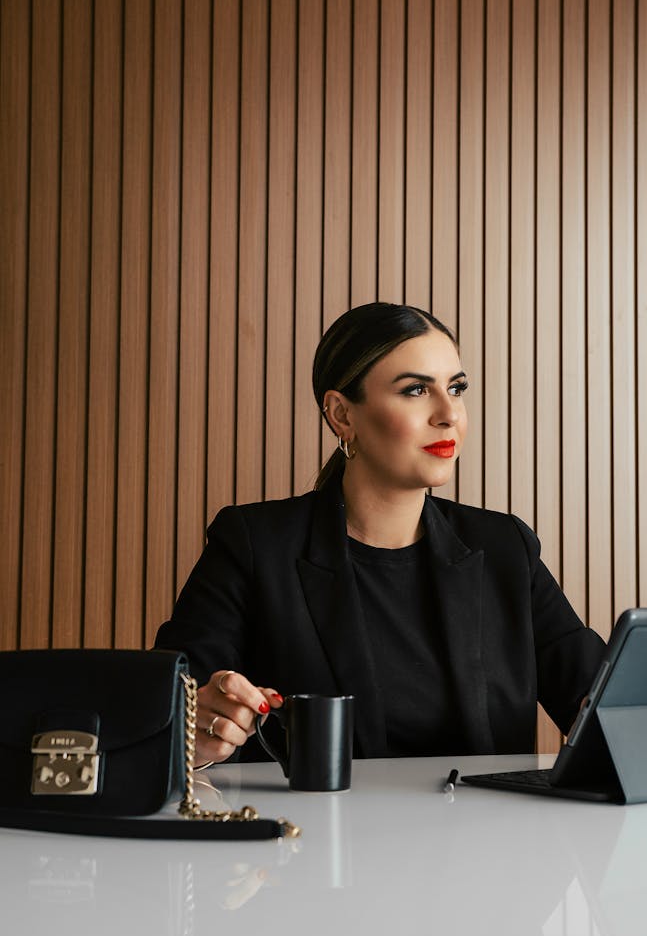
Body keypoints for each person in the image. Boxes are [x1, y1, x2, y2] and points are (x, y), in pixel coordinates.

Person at [155, 302, 605, 766]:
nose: (449, 414)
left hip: (484, 833)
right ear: (342, 415)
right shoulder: (254, 544)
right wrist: (202, 721)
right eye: (415, 390)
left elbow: (597, 699)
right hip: (313, 834)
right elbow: (169, 702)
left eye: (456, 388)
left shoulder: (506, 546)